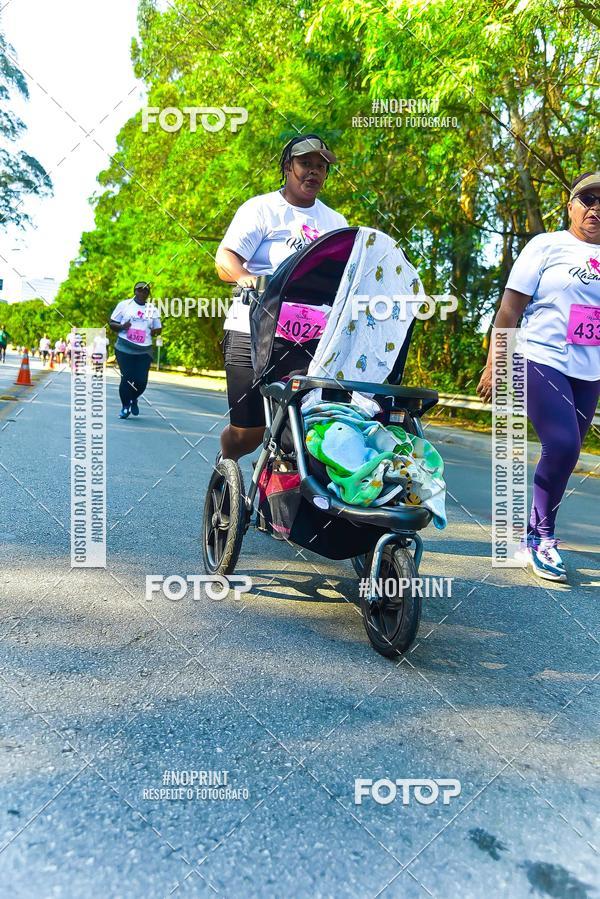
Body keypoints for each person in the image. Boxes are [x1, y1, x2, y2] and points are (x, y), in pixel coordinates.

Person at [477, 171, 600, 582]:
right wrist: (496, 362)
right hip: (539, 357)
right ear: (570, 204)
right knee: (562, 443)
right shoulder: (546, 246)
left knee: (567, 455)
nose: (596, 208)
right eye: (588, 198)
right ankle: (542, 538)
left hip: (589, 370)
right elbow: (509, 312)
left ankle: (536, 525)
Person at [215, 134, 348, 461]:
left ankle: (285, 502)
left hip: (309, 340)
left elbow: (346, 278)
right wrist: (247, 278)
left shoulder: (336, 223)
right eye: (305, 163)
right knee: (249, 433)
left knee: (302, 431)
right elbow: (225, 259)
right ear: (287, 167)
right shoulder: (261, 209)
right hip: (252, 330)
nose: (313, 172)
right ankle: (226, 461)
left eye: (321, 166)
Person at [109, 281, 161, 419]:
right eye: (140, 290)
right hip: (124, 347)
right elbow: (112, 323)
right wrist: (122, 327)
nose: (142, 293)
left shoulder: (152, 309)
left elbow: (157, 328)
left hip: (144, 350)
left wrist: (156, 330)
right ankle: (125, 407)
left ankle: (133, 398)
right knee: (127, 378)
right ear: (135, 291)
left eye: (145, 291)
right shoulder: (124, 305)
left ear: (148, 294)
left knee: (141, 381)